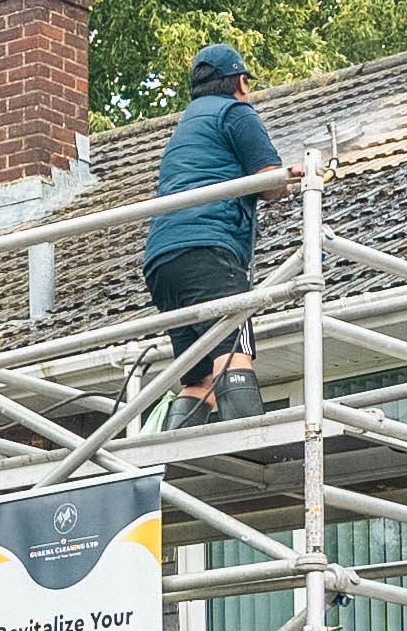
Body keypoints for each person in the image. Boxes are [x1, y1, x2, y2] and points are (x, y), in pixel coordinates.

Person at [141, 42, 287, 427]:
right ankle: (254, 445)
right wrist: (286, 181)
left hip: (162, 263)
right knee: (233, 353)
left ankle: (171, 463)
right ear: (240, 81)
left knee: (198, 375)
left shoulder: (186, 127)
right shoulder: (236, 112)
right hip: (208, 251)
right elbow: (269, 181)